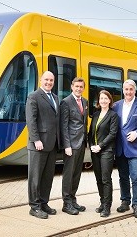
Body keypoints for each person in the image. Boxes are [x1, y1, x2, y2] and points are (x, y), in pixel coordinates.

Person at [113, 79, 137, 219]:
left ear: (134, 90)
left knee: (136, 177)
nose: (128, 92)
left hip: (136, 148)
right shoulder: (116, 105)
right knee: (123, 177)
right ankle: (125, 201)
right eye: (126, 89)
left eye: (131, 89)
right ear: (123, 90)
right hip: (120, 148)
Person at [25, 71, 60, 219]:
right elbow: (31, 120)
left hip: (52, 144)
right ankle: (34, 206)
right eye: (46, 79)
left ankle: (44, 203)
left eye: (51, 80)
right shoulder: (33, 96)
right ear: (41, 80)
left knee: (47, 177)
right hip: (38, 144)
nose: (49, 82)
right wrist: (36, 139)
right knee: (35, 177)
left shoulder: (56, 98)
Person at [88, 90, 118, 217]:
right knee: (98, 178)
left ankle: (107, 206)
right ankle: (102, 202)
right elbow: (90, 133)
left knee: (106, 179)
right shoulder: (95, 115)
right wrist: (91, 147)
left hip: (106, 150)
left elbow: (113, 134)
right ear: (98, 101)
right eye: (101, 98)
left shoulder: (113, 115)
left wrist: (100, 146)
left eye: (106, 98)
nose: (103, 101)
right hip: (95, 151)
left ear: (110, 100)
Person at [60, 77, 88, 215]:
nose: (78, 89)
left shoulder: (85, 101)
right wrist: (67, 145)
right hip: (71, 144)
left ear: (83, 88)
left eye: (81, 87)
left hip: (82, 143)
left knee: (77, 174)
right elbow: (63, 126)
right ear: (72, 87)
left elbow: (84, 123)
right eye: (76, 86)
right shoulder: (66, 102)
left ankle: (72, 199)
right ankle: (66, 203)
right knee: (68, 174)